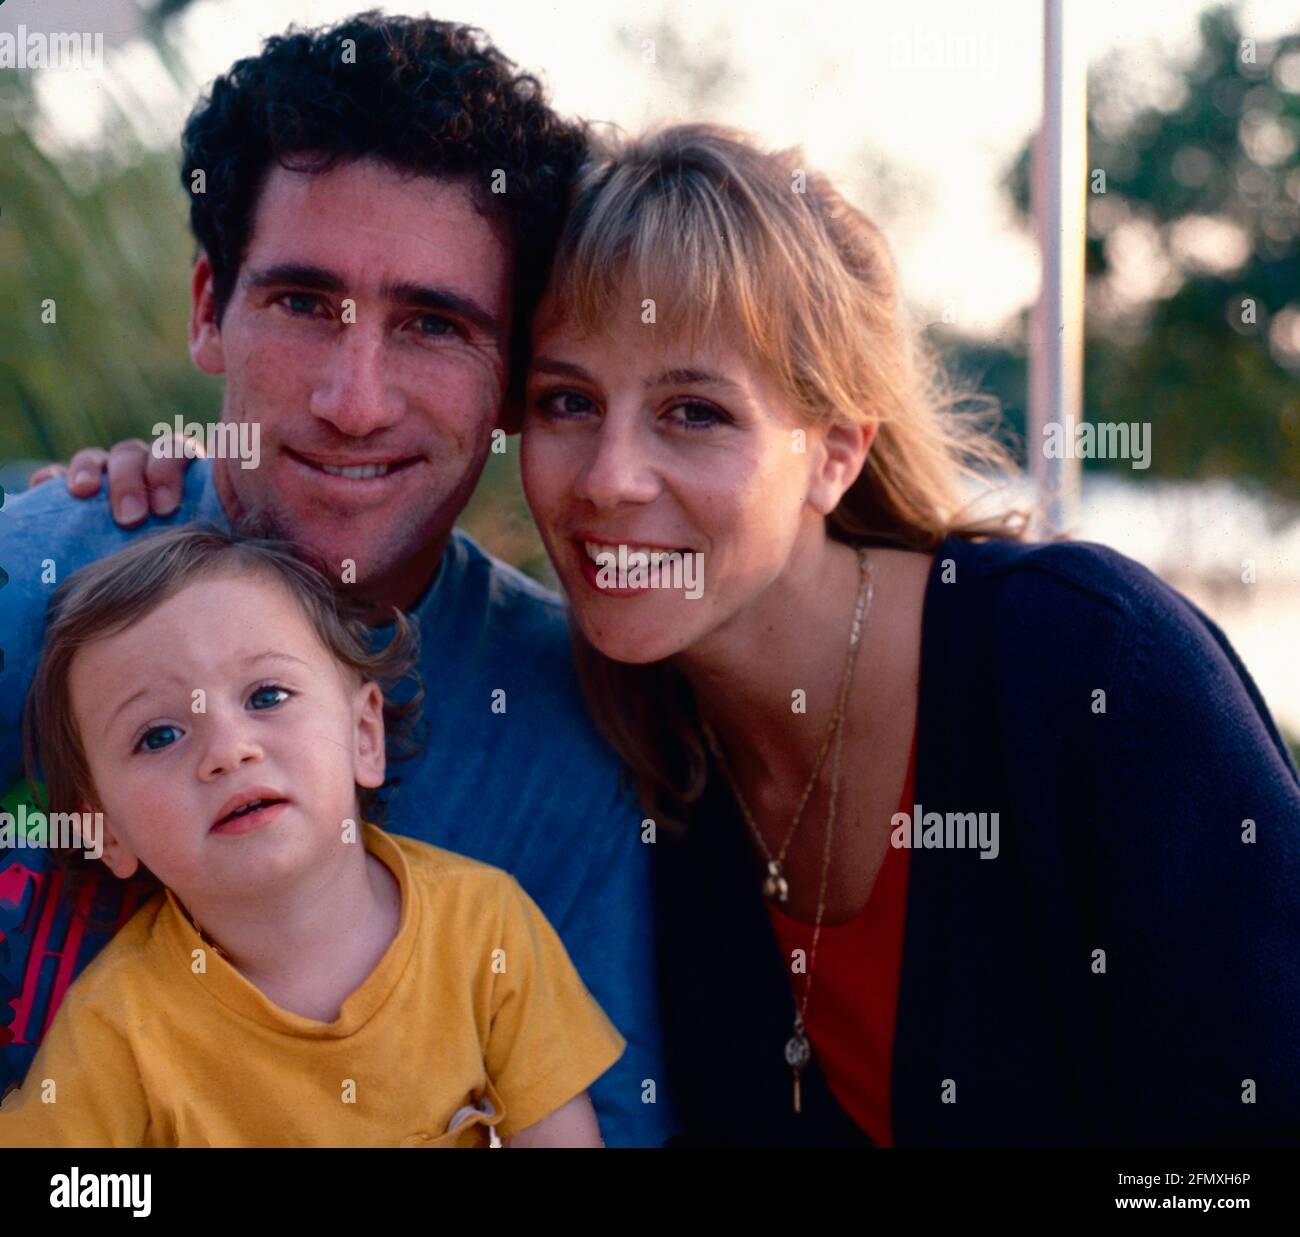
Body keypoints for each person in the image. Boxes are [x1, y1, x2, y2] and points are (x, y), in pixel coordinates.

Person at [512, 123, 1300, 1146]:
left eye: (693, 412)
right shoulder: (633, 758)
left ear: (835, 452)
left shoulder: (1086, 666)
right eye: (566, 401)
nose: (608, 477)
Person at [0, 13, 671, 1149]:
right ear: (210, 307)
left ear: (509, 380)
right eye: (305, 305)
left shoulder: (575, 728)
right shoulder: (36, 589)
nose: (354, 400)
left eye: (432, 324)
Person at [0, 527, 623, 1147]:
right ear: (103, 831)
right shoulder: (118, 1027)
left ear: (363, 737)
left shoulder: (486, 928)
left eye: (267, 696)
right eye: (158, 736)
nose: (228, 751)